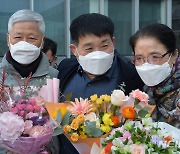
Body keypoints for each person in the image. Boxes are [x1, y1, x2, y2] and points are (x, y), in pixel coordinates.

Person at [57, 13, 144, 154]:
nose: (98, 54)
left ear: (113, 42)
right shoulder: (64, 70)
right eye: (89, 49)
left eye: (104, 46)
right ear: (75, 50)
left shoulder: (132, 75)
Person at [0, 9, 59, 154]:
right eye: (18, 37)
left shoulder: (55, 76)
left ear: (42, 41)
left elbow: (61, 126)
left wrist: (49, 150)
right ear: (8, 39)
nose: (24, 43)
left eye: (32, 38)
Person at [129, 23, 180, 128]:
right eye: (139, 58)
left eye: (155, 57)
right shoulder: (146, 90)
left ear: (174, 55)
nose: (146, 65)